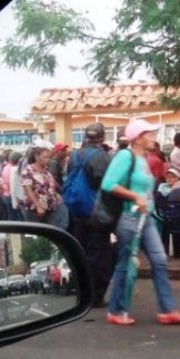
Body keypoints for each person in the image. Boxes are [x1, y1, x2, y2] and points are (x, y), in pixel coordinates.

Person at [102, 119, 180, 326]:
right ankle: (117, 310)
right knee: (126, 265)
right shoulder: (125, 156)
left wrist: (145, 201)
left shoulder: (143, 158)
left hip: (147, 217)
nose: (154, 137)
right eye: (150, 134)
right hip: (129, 218)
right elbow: (108, 184)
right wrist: (135, 197)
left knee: (160, 259)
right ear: (139, 137)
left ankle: (168, 310)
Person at [66, 123, 114, 308]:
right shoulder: (101, 156)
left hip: (76, 211)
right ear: (102, 138)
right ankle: (95, 296)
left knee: (82, 252)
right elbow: (106, 184)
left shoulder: (75, 155)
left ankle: (82, 292)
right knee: (100, 254)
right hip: (95, 211)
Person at [20, 147, 69, 229]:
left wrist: (61, 193)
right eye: (45, 157)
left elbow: (52, 184)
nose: (48, 160)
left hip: (49, 209)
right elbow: (28, 191)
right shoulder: (28, 171)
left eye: (49, 157)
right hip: (35, 210)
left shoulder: (45, 170)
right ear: (36, 157)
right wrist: (38, 206)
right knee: (36, 232)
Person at [155, 168, 180, 259]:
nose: (169, 179)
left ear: (178, 178)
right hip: (165, 213)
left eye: (172, 177)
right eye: (167, 177)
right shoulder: (162, 187)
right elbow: (159, 201)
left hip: (179, 213)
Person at [1, 151, 23, 221]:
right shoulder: (15, 170)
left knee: (10, 217)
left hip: (5, 195)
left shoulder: (5, 167)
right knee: (15, 219)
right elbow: (13, 186)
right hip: (12, 197)